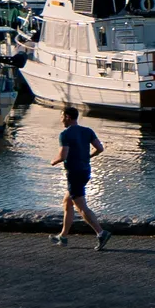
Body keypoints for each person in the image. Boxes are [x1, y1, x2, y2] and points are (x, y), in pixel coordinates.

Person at [48, 106, 110, 250]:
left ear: (68, 117)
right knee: (67, 202)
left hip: (74, 173)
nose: (61, 119)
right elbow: (100, 148)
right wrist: (88, 156)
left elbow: (63, 155)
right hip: (85, 170)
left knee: (81, 207)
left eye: (62, 116)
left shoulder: (65, 134)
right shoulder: (87, 131)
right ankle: (63, 236)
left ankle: (101, 233)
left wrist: (53, 161)